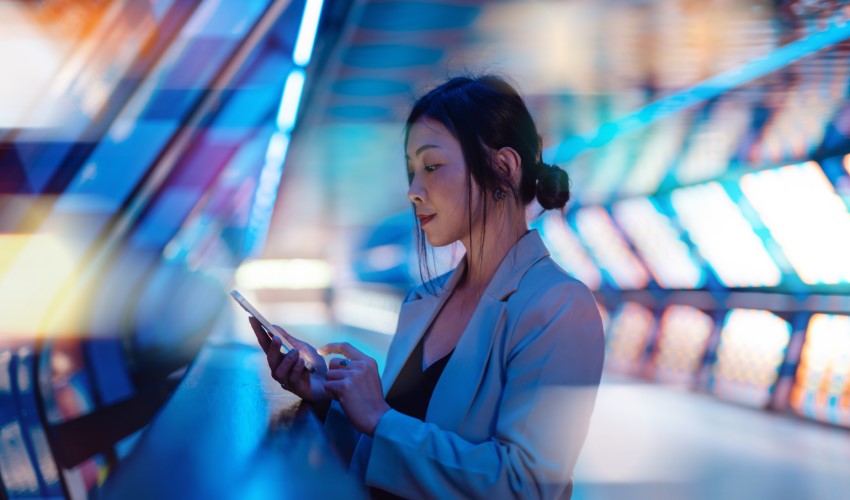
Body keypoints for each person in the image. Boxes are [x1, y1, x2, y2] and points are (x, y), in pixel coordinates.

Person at [250, 75, 605, 499]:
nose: (414, 192)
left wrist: (378, 416)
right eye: (411, 171)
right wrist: (330, 396)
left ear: (504, 167)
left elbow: (525, 485)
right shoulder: (424, 300)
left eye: (431, 166)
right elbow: (392, 447)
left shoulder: (560, 306)